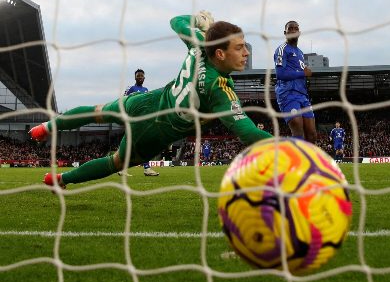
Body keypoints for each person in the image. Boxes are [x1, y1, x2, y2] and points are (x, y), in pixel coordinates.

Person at [31, 11, 272, 188]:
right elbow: (247, 132)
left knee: (97, 111)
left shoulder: (199, 42)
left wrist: (199, 21)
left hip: (146, 102)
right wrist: (292, 148)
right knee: (116, 162)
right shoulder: (218, 88)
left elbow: (176, 21)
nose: (246, 53)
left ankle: (45, 127)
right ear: (220, 53)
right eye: (240, 48)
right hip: (154, 133)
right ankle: (61, 179)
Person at [274, 20, 316, 143]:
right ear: (285, 32)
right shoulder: (282, 49)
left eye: (295, 28)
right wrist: (303, 73)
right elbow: (280, 74)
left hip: (302, 95)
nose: (293, 30)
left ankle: (309, 161)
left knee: (312, 135)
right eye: (290, 28)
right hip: (288, 94)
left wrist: (306, 75)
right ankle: (294, 160)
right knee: (298, 131)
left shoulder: (300, 53)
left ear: (299, 32)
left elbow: (300, 73)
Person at [117, 68, 161, 177]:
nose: (140, 77)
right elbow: (123, 101)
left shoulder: (146, 90)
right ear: (135, 77)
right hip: (132, 120)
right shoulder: (131, 88)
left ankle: (144, 168)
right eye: (138, 76)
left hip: (143, 121)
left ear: (144, 78)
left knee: (139, 145)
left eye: (141, 76)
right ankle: (143, 168)